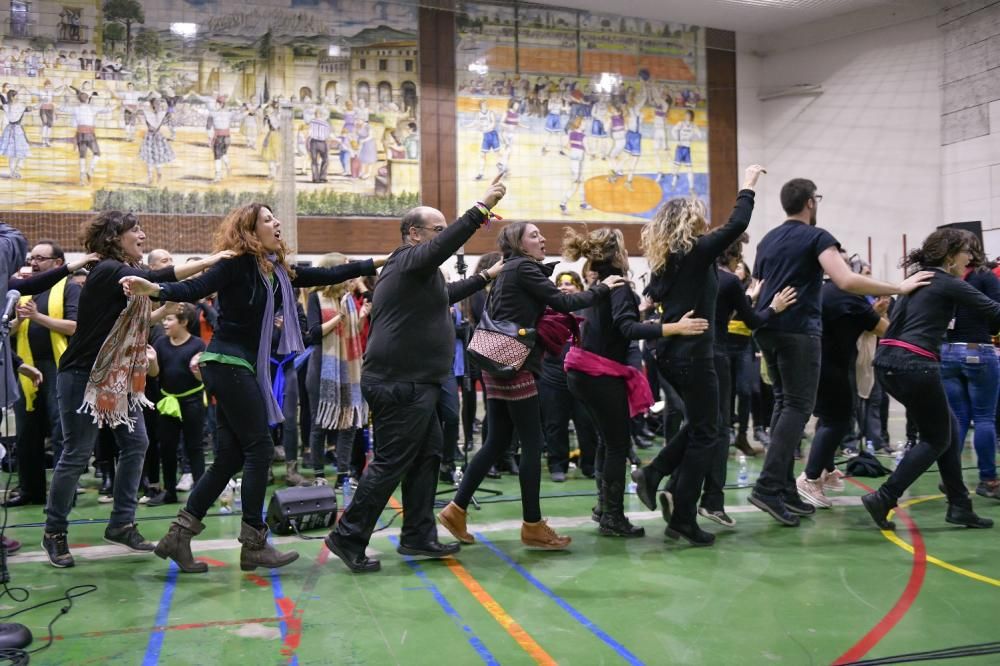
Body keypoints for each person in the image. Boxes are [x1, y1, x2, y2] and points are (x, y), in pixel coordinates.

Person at [121, 203, 380, 574]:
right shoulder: (236, 263)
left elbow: (329, 272)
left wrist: (377, 263)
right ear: (249, 229)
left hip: (234, 367)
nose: (276, 222)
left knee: (230, 458)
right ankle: (254, 541)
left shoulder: (276, 271)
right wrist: (158, 288)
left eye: (276, 216)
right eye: (268, 219)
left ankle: (179, 535)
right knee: (259, 448)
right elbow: (196, 286)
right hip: (227, 365)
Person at [326, 178, 507, 573]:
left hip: (417, 382)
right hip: (400, 383)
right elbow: (444, 246)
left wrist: (486, 277)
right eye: (438, 230)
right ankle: (348, 535)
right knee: (391, 463)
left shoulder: (422, 275)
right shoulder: (406, 259)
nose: (444, 238)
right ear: (414, 234)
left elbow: (447, 295)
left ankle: (418, 535)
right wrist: (481, 208)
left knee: (427, 457)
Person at [42, 212, 231, 568]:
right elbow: (160, 277)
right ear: (115, 237)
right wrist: (214, 260)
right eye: (135, 230)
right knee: (76, 453)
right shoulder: (111, 270)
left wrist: (162, 315)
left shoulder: (121, 277)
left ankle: (122, 523)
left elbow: (135, 319)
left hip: (117, 374)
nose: (142, 234)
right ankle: (54, 531)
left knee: (136, 442)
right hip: (84, 374)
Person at [748, 178, 931, 526]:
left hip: (768, 329)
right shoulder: (818, 237)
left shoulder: (768, 239)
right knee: (797, 408)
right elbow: (846, 280)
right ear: (810, 202)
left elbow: (757, 287)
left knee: (785, 404)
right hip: (798, 331)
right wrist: (899, 287)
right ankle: (769, 486)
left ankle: (785, 487)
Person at [438, 220, 626, 551]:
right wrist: (604, 287)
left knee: (496, 441)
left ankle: (456, 509)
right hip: (516, 363)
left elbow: (538, 302)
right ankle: (533, 525)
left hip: (496, 360)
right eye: (534, 235)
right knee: (530, 440)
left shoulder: (513, 268)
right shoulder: (524, 268)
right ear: (520, 244)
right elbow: (566, 306)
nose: (542, 238)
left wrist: (558, 291)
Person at [628, 165, 766, 547]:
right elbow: (737, 224)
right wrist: (748, 185)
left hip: (671, 354)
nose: (706, 222)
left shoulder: (664, 261)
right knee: (709, 431)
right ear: (689, 222)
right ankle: (681, 511)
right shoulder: (695, 252)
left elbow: (655, 296)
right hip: (694, 353)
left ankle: (657, 476)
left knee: (700, 424)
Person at [563, 227, 709, 538]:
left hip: (582, 371)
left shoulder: (600, 284)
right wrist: (673, 327)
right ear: (617, 254)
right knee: (617, 445)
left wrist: (641, 313)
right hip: (599, 374)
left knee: (607, 441)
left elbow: (615, 326)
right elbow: (627, 329)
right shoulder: (618, 287)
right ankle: (613, 517)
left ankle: (605, 508)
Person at [862, 229, 1000, 531]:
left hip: (887, 362)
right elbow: (995, 314)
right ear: (950, 256)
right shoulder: (949, 283)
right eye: (966, 252)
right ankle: (885, 496)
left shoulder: (919, 278)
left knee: (947, 429)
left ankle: (959, 505)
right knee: (937, 438)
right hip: (915, 364)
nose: (971, 259)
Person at [6, 241, 95, 508]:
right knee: (26, 431)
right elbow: (7, 331)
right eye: (31, 257)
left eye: (40, 258)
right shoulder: (19, 292)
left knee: (61, 431)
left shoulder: (69, 288)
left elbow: (75, 327)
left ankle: (63, 492)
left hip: (60, 366)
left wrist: (37, 316)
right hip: (27, 368)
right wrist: (21, 319)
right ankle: (30, 490)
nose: (33, 262)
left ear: (58, 263)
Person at [796, 250, 888, 509]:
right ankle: (811, 476)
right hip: (831, 365)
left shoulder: (819, 290)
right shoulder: (846, 294)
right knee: (839, 419)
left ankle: (825, 468)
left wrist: (872, 311)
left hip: (813, 362)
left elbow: (854, 319)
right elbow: (882, 329)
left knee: (829, 417)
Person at [939, 234, 1000, 500]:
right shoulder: (985, 277)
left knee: (959, 419)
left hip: (949, 352)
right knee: (985, 418)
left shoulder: (947, 278)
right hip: (979, 349)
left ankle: (951, 479)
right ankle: (988, 480)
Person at [305, 255, 371, 486]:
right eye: (344, 268)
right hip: (322, 364)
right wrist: (339, 319)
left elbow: (356, 331)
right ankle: (319, 475)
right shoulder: (316, 297)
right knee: (319, 423)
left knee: (350, 421)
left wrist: (361, 316)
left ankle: (343, 473)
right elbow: (312, 333)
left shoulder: (348, 298)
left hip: (350, 366)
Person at [537, 271, 599, 482]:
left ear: (579, 288)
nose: (564, 287)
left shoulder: (589, 310)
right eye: (560, 284)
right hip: (553, 375)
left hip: (583, 376)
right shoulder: (547, 311)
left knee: (587, 422)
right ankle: (557, 464)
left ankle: (589, 464)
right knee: (555, 422)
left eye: (570, 283)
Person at [146, 304, 206, 506]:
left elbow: (201, 378)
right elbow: (155, 374)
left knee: (194, 446)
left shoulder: (197, 345)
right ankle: (169, 491)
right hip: (168, 401)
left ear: (184, 322)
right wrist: (152, 361)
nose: (165, 322)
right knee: (167, 448)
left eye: (170, 319)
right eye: (165, 319)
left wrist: (197, 368)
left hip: (192, 401)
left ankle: (200, 492)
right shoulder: (161, 344)